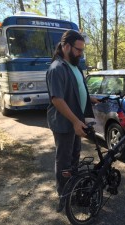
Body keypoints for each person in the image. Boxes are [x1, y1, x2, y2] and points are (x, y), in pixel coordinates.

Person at [46, 30, 99, 212]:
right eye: (78, 50)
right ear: (65, 46)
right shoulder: (57, 68)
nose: (80, 54)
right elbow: (57, 100)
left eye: (82, 50)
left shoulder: (74, 66)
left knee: (74, 158)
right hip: (65, 123)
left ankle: (73, 190)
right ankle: (64, 197)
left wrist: (89, 98)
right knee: (64, 162)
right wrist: (76, 122)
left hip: (77, 121)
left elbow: (76, 88)